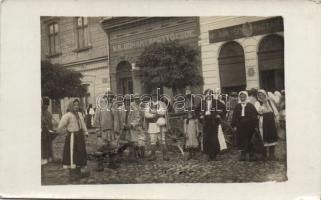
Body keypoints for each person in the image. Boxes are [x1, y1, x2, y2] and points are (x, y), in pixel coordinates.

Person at [57, 99, 89, 181]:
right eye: (74, 105)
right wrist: (64, 132)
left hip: (80, 137)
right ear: (71, 106)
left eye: (77, 105)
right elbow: (60, 126)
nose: (76, 107)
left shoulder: (79, 114)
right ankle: (72, 174)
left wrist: (85, 132)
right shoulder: (67, 115)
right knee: (72, 154)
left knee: (80, 154)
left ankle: (78, 172)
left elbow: (83, 124)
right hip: (72, 137)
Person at [196, 89, 226, 161]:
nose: (209, 95)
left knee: (214, 138)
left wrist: (219, 115)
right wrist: (200, 116)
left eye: (210, 93)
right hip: (205, 121)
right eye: (207, 93)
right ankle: (207, 155)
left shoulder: (216, 102)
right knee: (206, 138)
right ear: (205, 95)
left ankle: (215, 154)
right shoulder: (202, 103)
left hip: (214, 121)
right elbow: (196, 110)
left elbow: (224, 108)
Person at [94, 93, 119, 171]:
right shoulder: (100, 107)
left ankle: (112, 163)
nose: (110, 99)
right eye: (108, 97)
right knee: (101, 147)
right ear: (105, 97)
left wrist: (117, 130)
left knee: (112, 146)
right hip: (103, 131)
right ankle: (100, 165)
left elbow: (117, 119)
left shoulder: (114, 107)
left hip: (112, 130)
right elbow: (96, 120)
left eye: (111, 97)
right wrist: (98, 130)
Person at [231, 91, 259, 161]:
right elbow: (234, 116)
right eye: (241, 97)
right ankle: (243, 155)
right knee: (242, 140)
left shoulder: (250, 105)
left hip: (249, 126)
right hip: (240, 126)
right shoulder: (237, 106)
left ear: (246, 97)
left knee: (250, 140)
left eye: (244, 97)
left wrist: (255, 126)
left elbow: (254, 116)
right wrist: (234, 125)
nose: (242, 98)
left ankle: (251, 155)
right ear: (239, 97)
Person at [255, 89, 279, 161]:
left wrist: (276, 119)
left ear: (265, 95)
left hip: (271, 121)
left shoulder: (269, 101)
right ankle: (264, 155)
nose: (261, 96)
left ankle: (272, 155)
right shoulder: (257, 103)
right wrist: (264, 104)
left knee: (272, 136)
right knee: (264, 137)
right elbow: (259, 111)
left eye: (262, 95)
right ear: (258, 96)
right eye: (259, 95)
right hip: (263, 121)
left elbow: (274, 110)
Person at [145, 91, 169, 161]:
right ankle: (153, 155)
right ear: (151, 97)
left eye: (156, 96)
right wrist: (153, 115)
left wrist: (156, 112)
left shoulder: (162, 104)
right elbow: (146, 114)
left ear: (158, 96)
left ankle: (165, 155)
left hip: (160, 123)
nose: (154, 97)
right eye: (153, 96)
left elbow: (164, 112)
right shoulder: (148, 104)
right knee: (153, 140)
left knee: (162, 140)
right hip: (152, 124)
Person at [41, 97, 55, 165]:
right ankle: (44, 158)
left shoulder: (48, 113)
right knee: (43, 145)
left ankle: (49, 157)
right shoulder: (39, 112)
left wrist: (52, 130)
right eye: (45, 105)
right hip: (42, 132)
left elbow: (50, 123)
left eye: (47, 105)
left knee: (48, 144)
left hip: (48, 132)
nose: (46, 106)